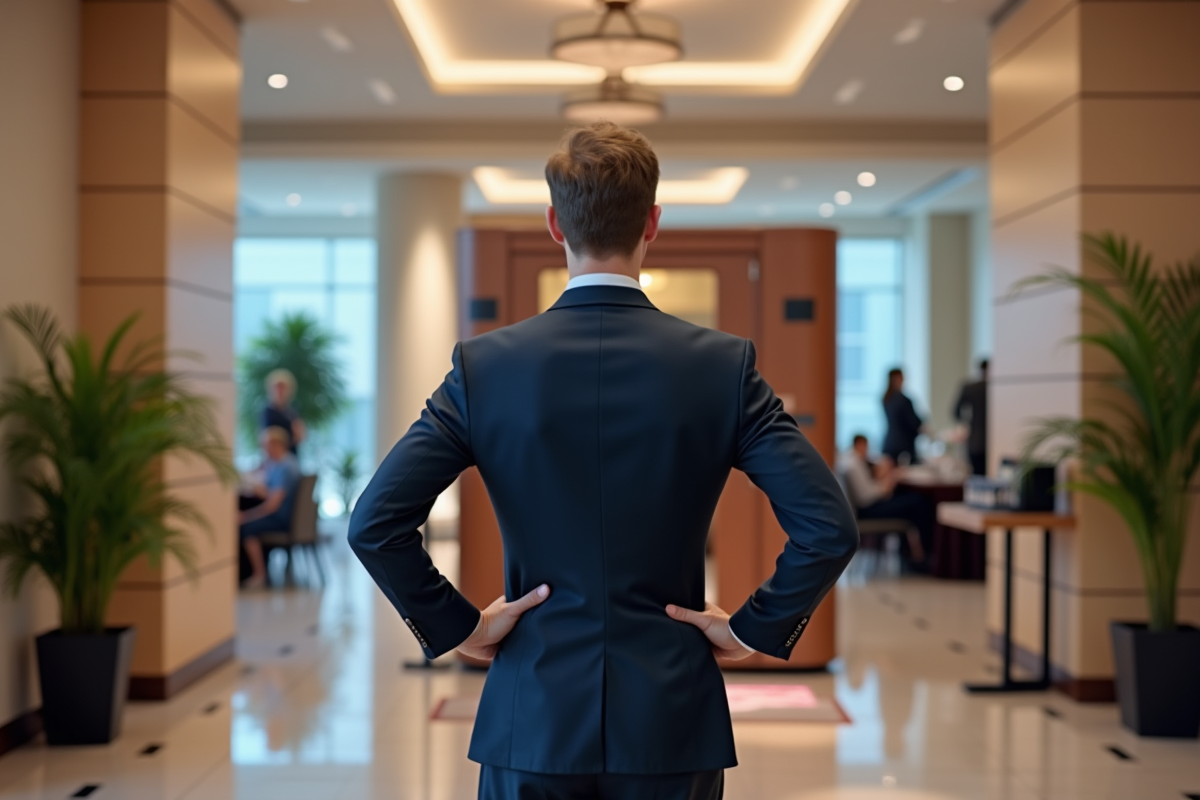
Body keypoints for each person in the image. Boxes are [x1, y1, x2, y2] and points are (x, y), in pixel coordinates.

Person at [348, 121, 859, 800]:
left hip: (531, 713)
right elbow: (829, 527)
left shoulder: (485, 369)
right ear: (653, 222)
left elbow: (374, 524)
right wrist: (750, 628)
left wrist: (462, 626)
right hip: (673, 716)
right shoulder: (722, 367)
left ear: (555, 225)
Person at [837, 434, 934, 568]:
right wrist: (887, 485)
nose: (867, 450)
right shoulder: (854, 464)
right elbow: (866, 496)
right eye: (866, 446)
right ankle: (927, 555)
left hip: (867, 507)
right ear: (859, 445)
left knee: (911, 500)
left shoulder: (852, 460)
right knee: (918, 503)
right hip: (867, 511)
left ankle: (910, 554)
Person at [239, 426, 301, 589]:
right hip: (285, 516)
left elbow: (273, 504)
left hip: (282, 519)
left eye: (265, 446)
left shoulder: (286, 467)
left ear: (276, 444)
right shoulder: (280, 463)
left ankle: (259, 575)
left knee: (247, 528)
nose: (264, 450)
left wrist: (247, 516)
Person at [881, 367, 923, 465]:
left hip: (889, 443)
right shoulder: (903, 400)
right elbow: (914, 423)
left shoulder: (886, 399)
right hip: (903, 446)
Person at [954, 358, 989, 476]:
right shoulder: (995, 387)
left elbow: (956, 412)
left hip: (975, 441)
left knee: (976, 477)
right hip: (994, 440)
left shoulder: (971, 388)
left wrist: (967, 423)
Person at [261, 368, 305, 454]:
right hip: (273, 456)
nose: (279, 391)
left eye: (283, 388)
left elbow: (300, 434)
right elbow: (264, 436)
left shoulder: (294, 410)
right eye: (277, 388)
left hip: (290, 454)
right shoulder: (267, 411)